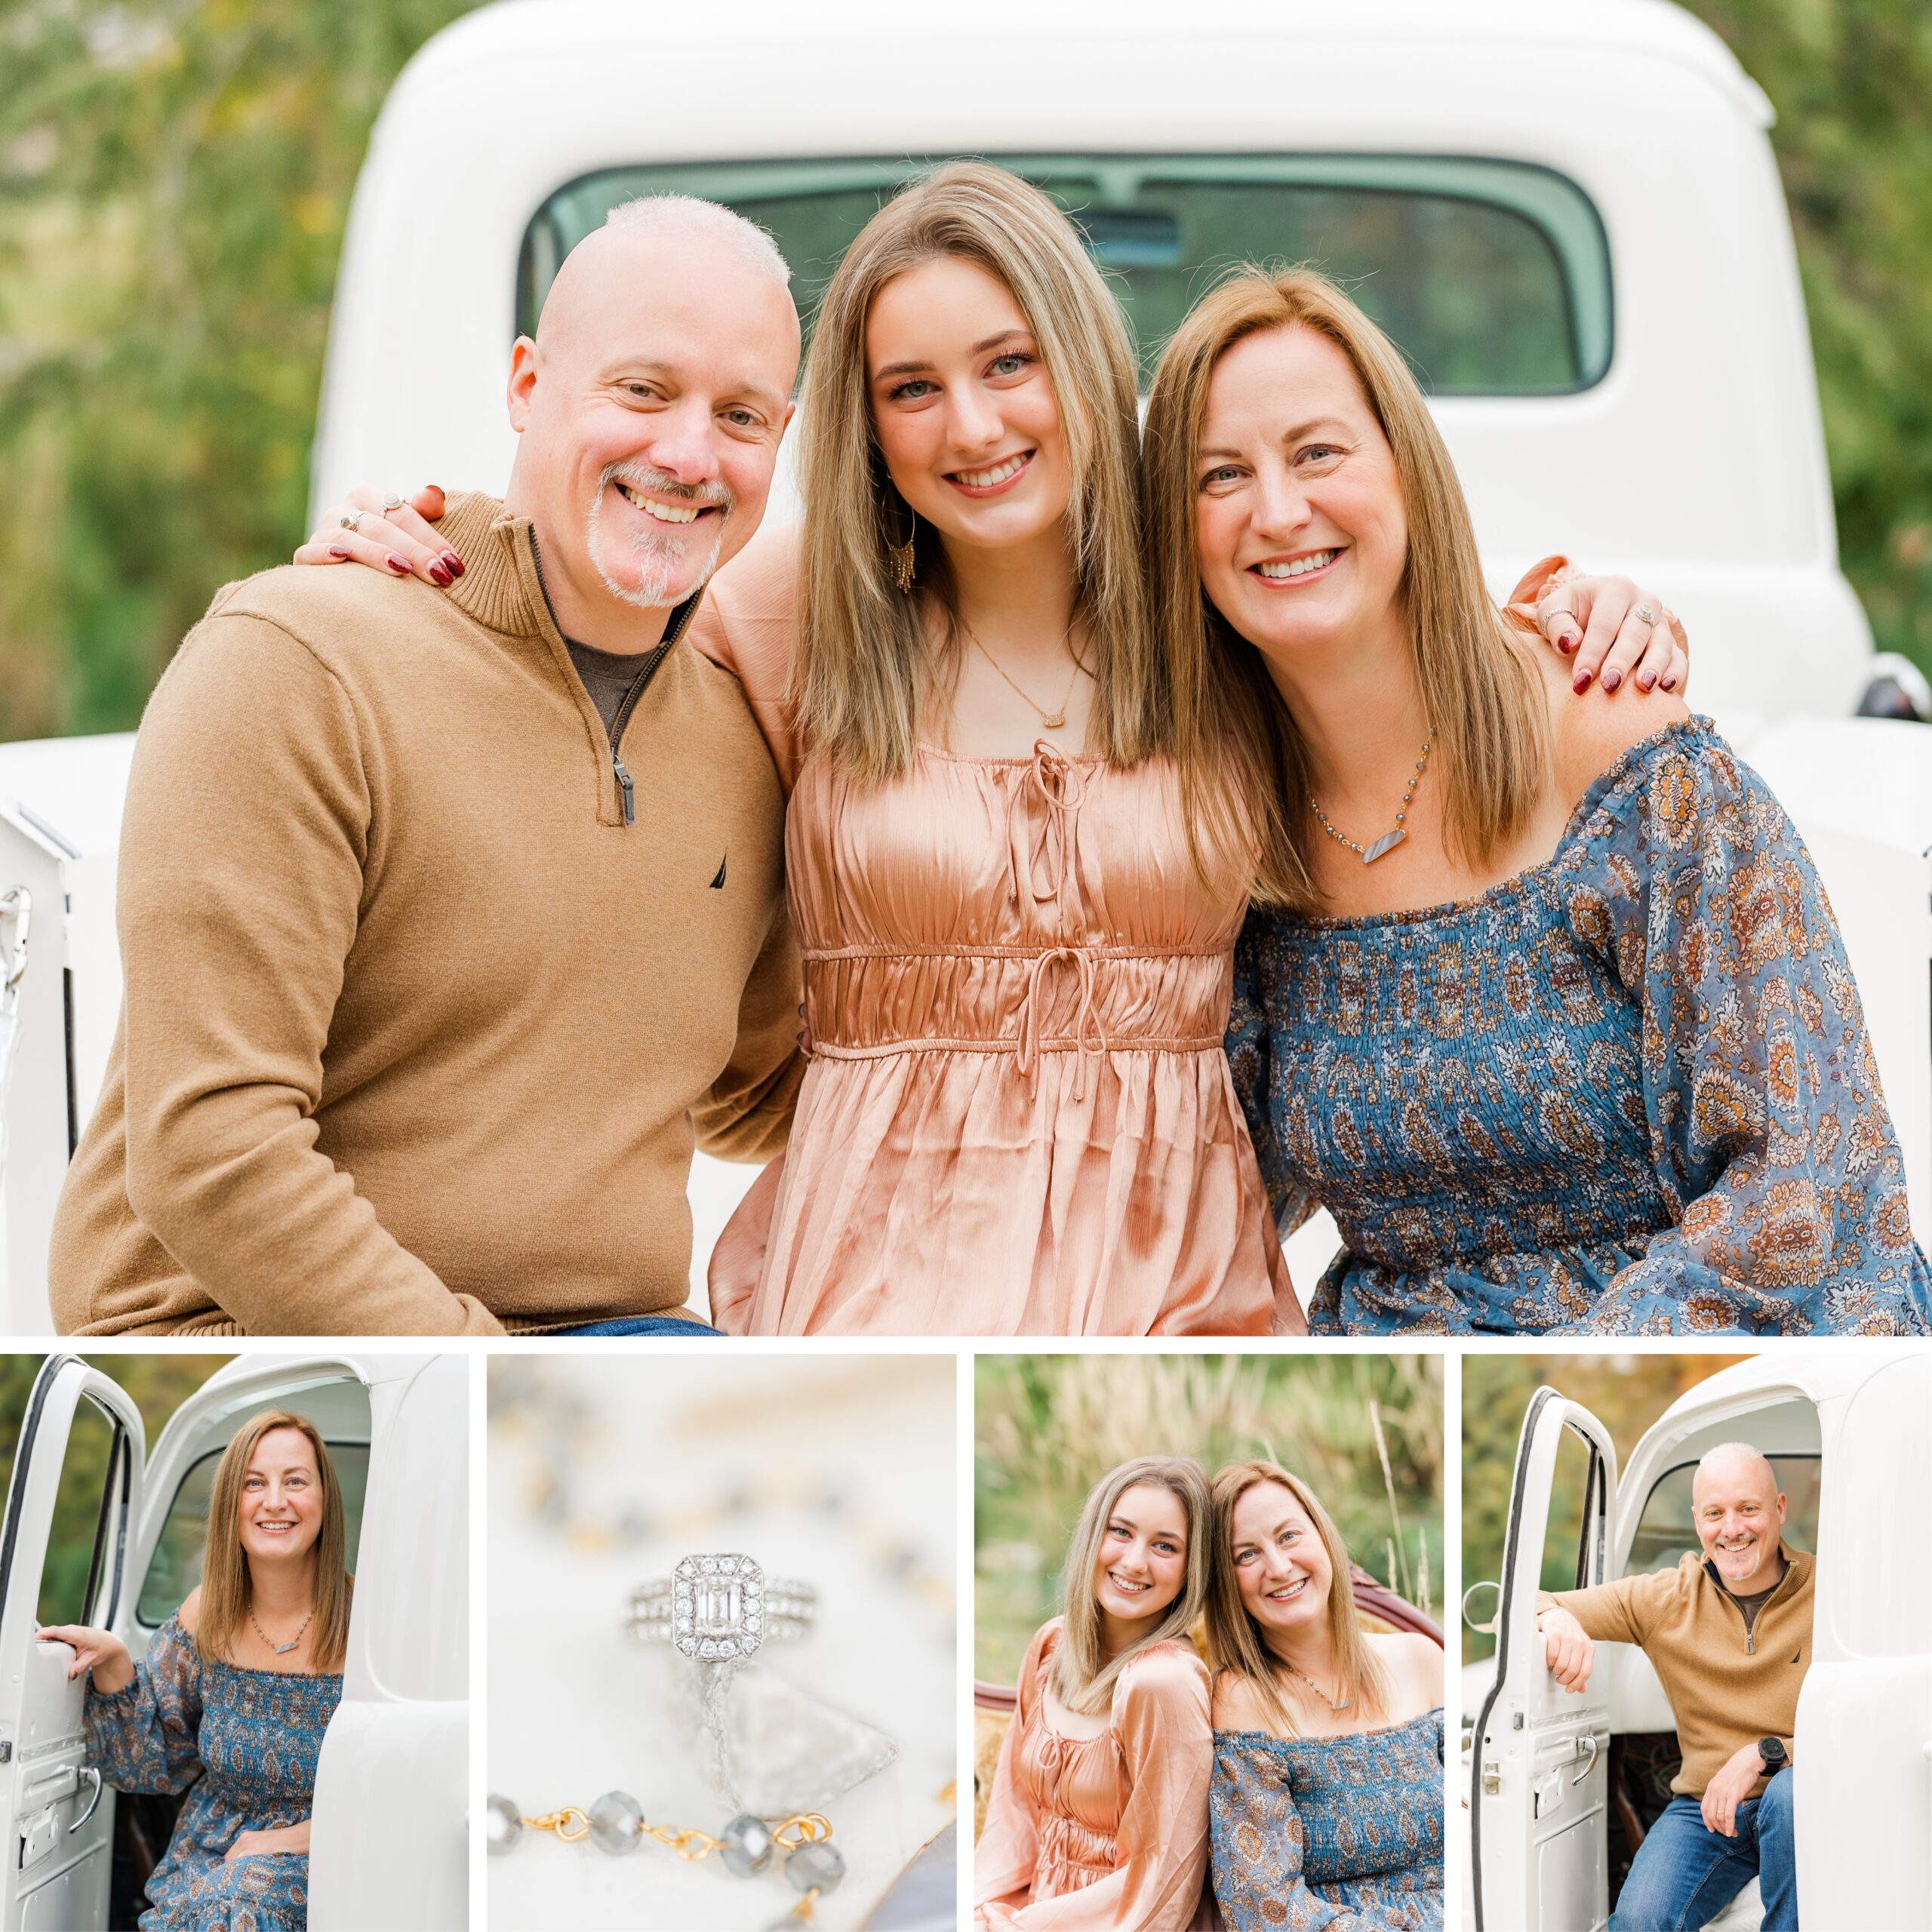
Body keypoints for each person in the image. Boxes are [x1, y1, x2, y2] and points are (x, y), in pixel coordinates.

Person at [310, 165, 1681, 1336]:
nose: (970, 426)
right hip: (870, 1290)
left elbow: (1387, 621)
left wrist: (1576, 612)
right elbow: (589, 580)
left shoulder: (1216, 613)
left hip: (1178, 1291)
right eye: (913, 387)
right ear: (865, 426)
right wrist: (414, 549)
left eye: (1008, 363)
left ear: (1079, 359)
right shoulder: (791, 619)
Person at [48, 197, 808, 1336]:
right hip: (237, 1336)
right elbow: (211, 1148)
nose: (689, 454)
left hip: (614, 1344)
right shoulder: (300, 661)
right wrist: (485, 1379)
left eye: (740, 415)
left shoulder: (742, 740)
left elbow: (754, 1097)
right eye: (643, 391)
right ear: (524, 385)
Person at [1140, 265, 1932, 1335]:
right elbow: (1195, 1200)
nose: (1278, 511)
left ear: (1408, 471)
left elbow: (1815, 1185)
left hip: (1666, 1388)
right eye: (1218, 476)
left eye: (1318, 452)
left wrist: (1562, 1387)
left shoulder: (1620, 749)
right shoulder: (1230, 840)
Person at [38, 1413, 350, 1932]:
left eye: (295, 1480)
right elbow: (154, 1759)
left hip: (334, 1862)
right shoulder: (207, 1612)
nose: (275, 1501)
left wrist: (290, 1840)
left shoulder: (371, 1620)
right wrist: (116, 1662)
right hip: (210, 1859)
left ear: (325, 1500)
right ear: (232, 1503)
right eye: (255, 1482)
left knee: (240, 1908)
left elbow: (417, 1783)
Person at [1536, 1444, 1808, 1932]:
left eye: (1749, 1509)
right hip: (1706, 1810)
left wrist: (1766, 1754)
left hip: (1803, 1796)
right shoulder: (1667, 1598)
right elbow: (1518, 1604)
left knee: (1787, 1795)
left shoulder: (1828, 1592)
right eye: (1715, 1514)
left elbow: (1873, 1717)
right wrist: (1556, 1618)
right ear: (1697, 1520)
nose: (1732, 1529)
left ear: (1780, 1509)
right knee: (1637, 1921)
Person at [974, 1456, 1217, 1930]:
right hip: (1024, 1910)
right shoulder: (1051, 1645)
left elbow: (1161, 1878)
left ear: (1192, 1568)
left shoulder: (1163, 1683)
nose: (1133, 1561)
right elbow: (1012, 1814)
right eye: (1120, 1531)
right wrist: (980, 1908)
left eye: (1165, 1546)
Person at [1204, 1460, 1444, 1931]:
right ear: (1225, 1582)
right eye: (1245, 1555)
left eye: (1289, 1536)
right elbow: (1264, 1910)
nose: (1277, 1566)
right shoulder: (1243, 1700)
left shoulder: (1421, 1660)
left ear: (1323, 1538)